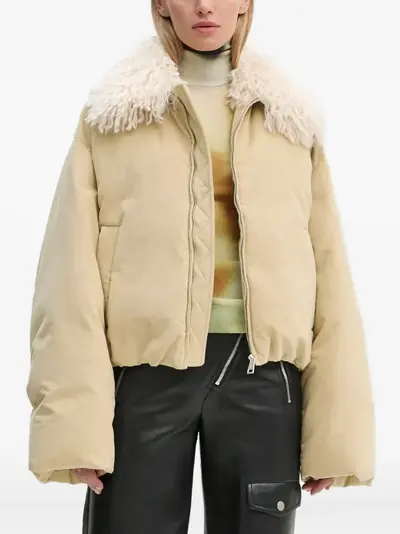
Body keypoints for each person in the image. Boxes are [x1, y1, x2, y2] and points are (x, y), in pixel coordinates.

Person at [26, 1, 375, 533]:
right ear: (162, 4)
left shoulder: (287, 118)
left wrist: (337, 435)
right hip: (145, 376)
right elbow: (67, 274)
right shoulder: (116, 114)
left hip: (264, 375)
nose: (205, 6)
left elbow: (329, 276)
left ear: (246, 3)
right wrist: (75, 424)